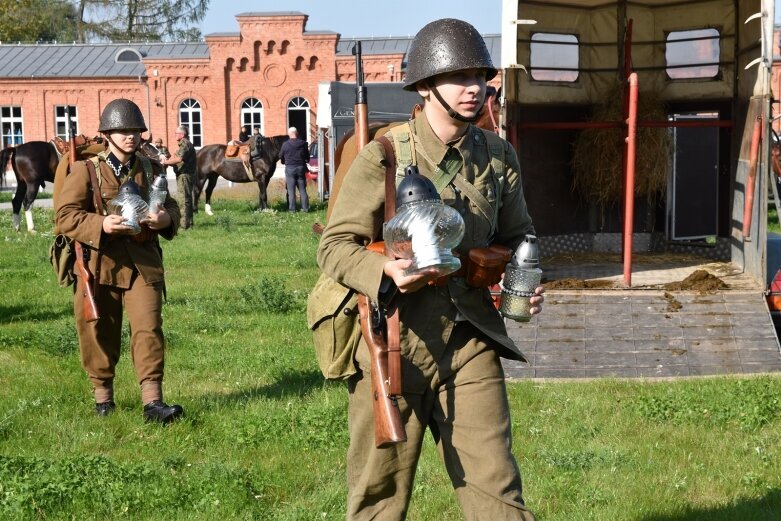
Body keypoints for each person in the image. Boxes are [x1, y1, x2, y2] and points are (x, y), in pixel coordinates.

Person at [317, 18, 544, 519]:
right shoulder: (382, 153)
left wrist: (518, 276)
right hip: (396, 340)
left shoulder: (497, 156)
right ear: (424, 85)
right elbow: (334, 246)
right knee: (379, 498)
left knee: (498, 494)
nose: (474, 87)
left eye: (479, 76)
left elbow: (518, 235)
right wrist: (386, 273)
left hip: (470, 336)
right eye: (458, 77)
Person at [55, 98, 184, 423]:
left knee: (149, 329)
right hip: (100, 264)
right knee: (99, 331)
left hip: (144, 264)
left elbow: (172, 208)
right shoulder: (87, 170)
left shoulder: (151, 167)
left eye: (134, 130)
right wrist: (101, 224)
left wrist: (165, 221)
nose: (130, 136)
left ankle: (153, 403)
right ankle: (103, 399)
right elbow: (66, 216)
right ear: (107, 134)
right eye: (122, 130)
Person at [159, 126, 196, 229]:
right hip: (184, 175)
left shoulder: (185, 143)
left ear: (182, 135)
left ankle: (183, 225)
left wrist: (165, 162)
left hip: (185, 175)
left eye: (176, 133)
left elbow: (179, 159)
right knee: (187, 199)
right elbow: (174, 158)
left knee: (183, 200)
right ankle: (189, 223)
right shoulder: (184, 145)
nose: (175, 134)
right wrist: (166, 160)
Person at [279, 126, 310, 213]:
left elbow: (280, 156)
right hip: (301, 168)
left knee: (291, 190)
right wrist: (305, 160)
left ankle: (292, 209)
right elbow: (307, 156)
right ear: (296, 133)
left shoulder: (285, 144)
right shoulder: (304, 144)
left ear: (290, 134)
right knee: (303, 190)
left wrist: (284, 161)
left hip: (290, 169)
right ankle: (305, 209)